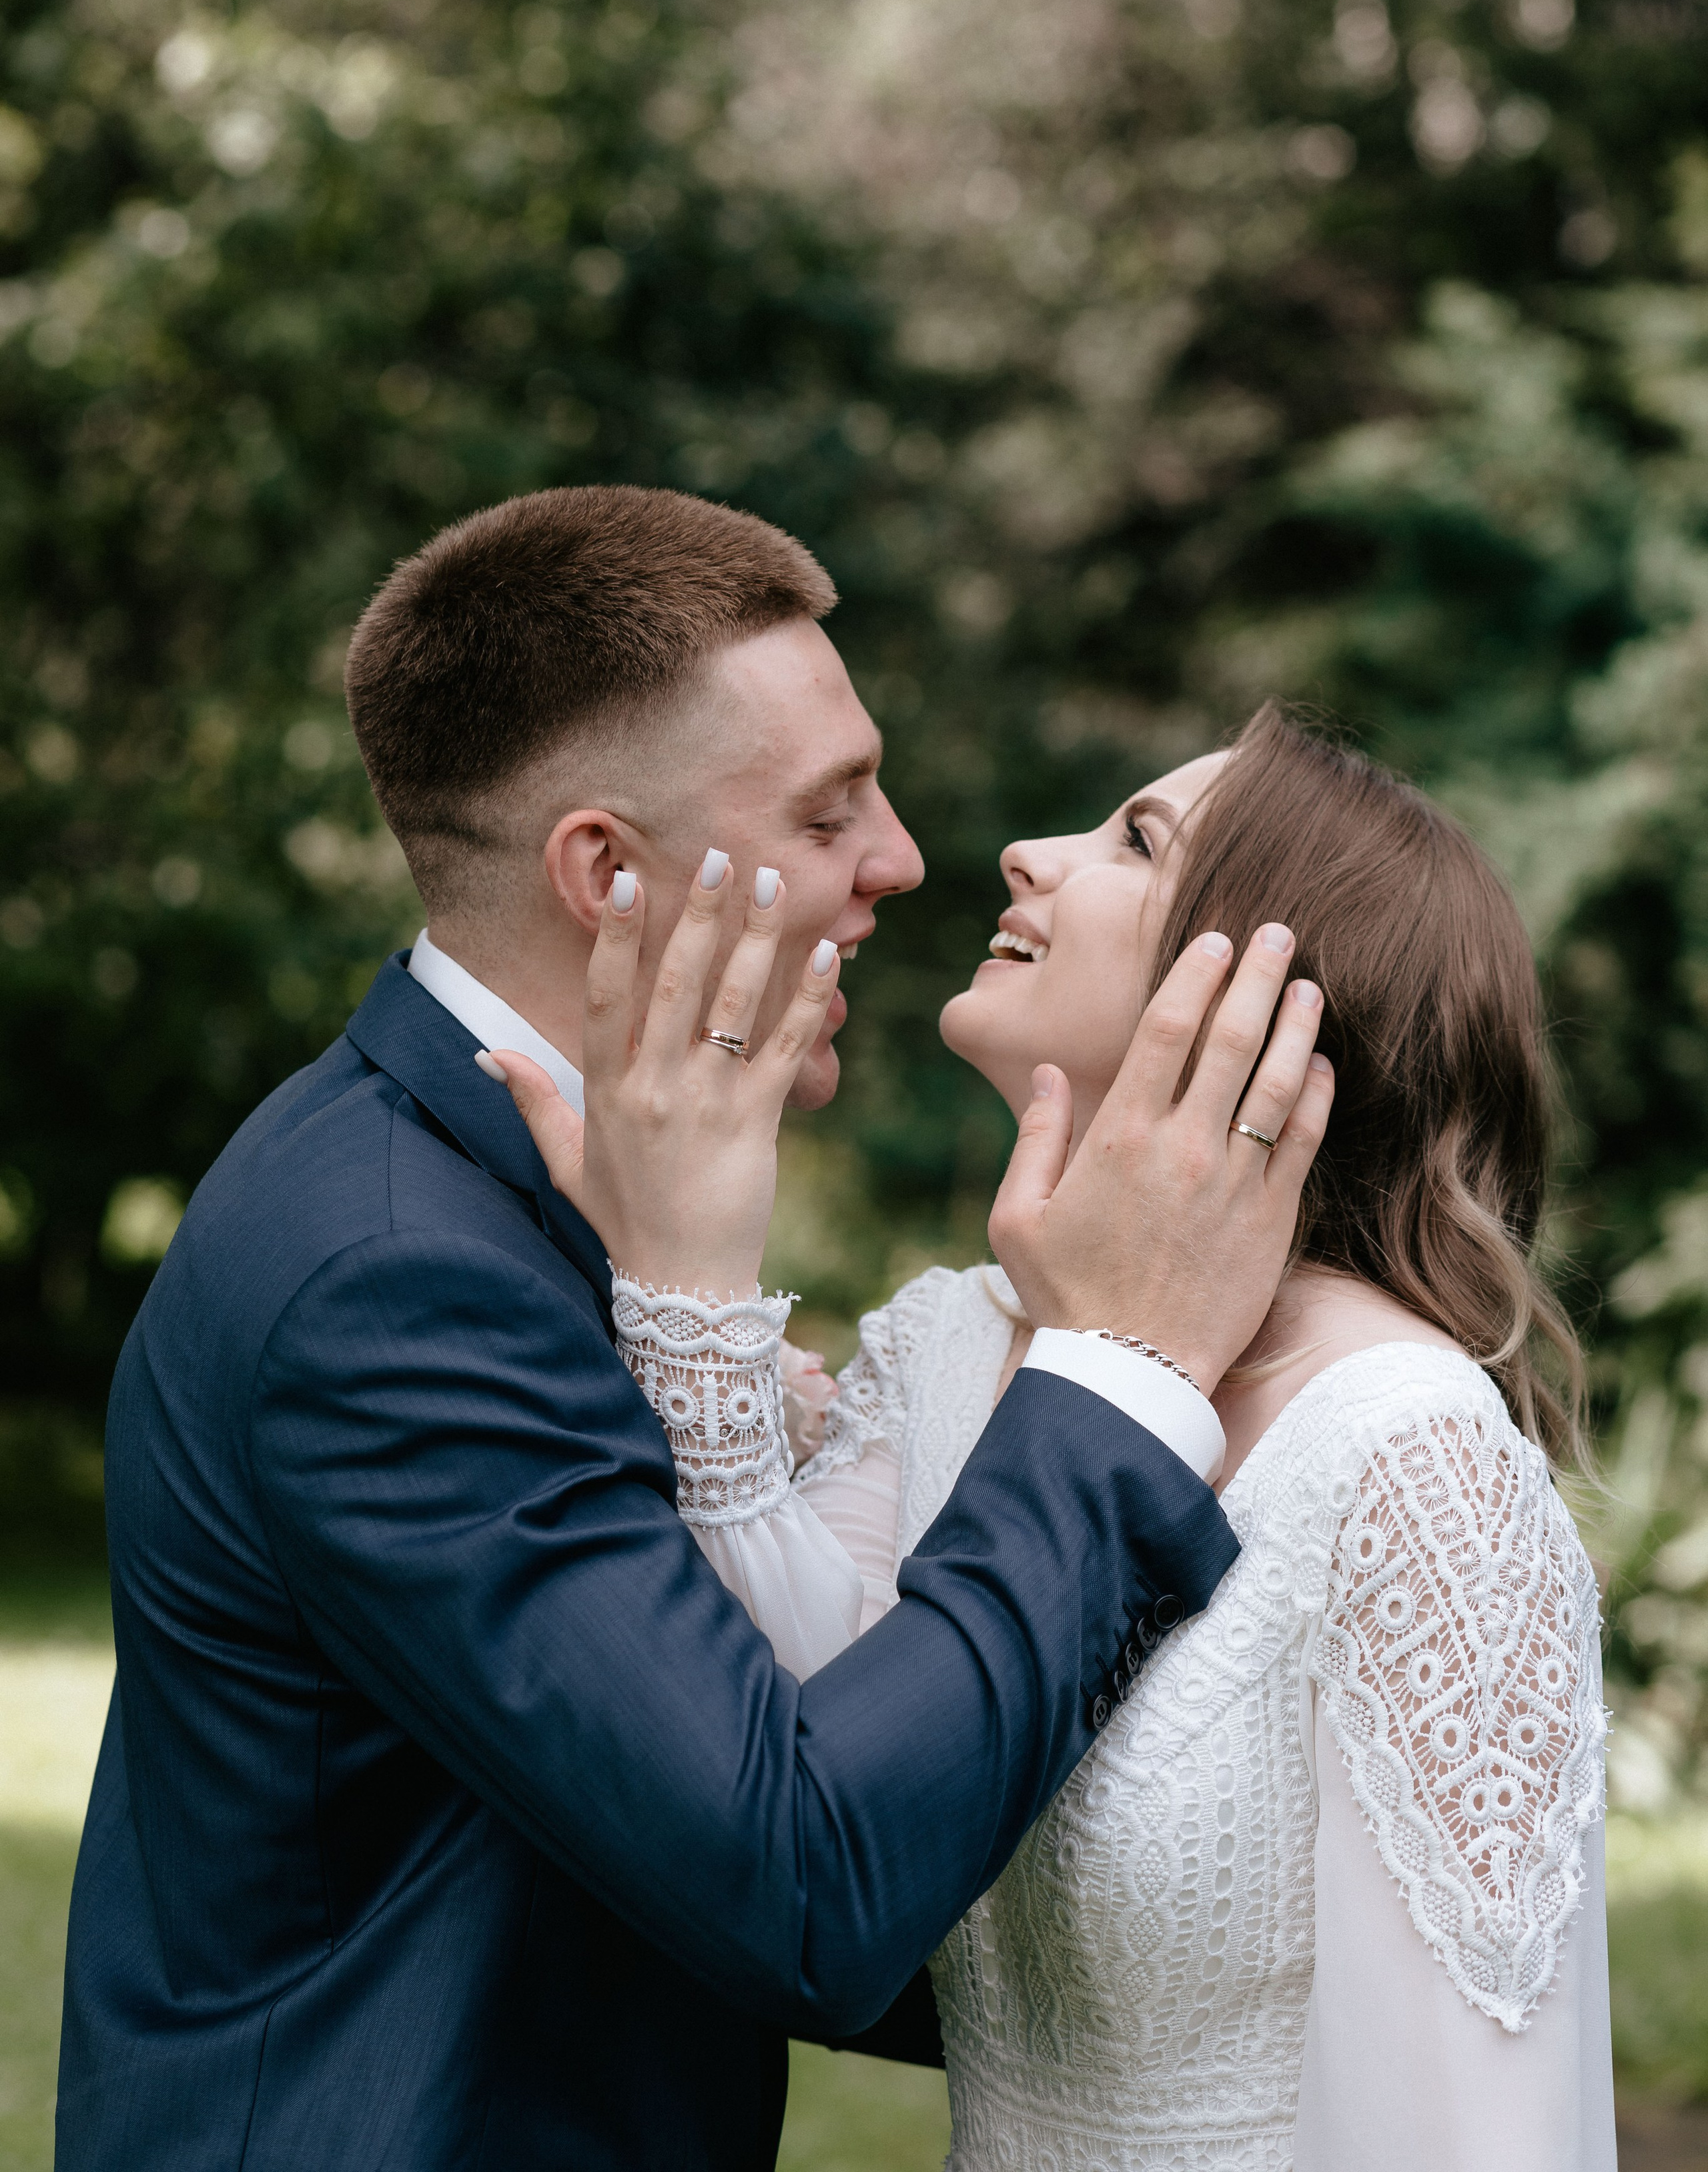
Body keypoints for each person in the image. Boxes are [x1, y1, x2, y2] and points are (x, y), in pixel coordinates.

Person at [56, 487, 1332, 2171]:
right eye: (826, 817)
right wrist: (1116, 1380)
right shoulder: (385, 1274)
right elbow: (803, 1885)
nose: (903, 859)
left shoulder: (541, 1196)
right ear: (608, 874)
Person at [512, 701, 1615, 2170]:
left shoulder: (1405, 1449)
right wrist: (689, 1279)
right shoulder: (954, 1344)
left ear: (1277, 1010)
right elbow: (798, 1774)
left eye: (1134, 841)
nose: (1026, 854)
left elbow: (1475, 2127)